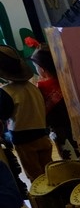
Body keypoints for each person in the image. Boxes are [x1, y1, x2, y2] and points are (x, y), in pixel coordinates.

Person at [0, 45, 53, 183]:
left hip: (24, 141)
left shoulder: (6, 92)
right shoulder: (33, 87)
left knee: (36, 177)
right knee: (50, 172)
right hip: (43, 135)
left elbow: (4, 114)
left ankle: (44, 198)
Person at [28, 43, 78, 160]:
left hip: (58, 127)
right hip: (75, 122)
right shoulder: (66, 79)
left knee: (68, 154)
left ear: (41, 69)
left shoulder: (42, 86)